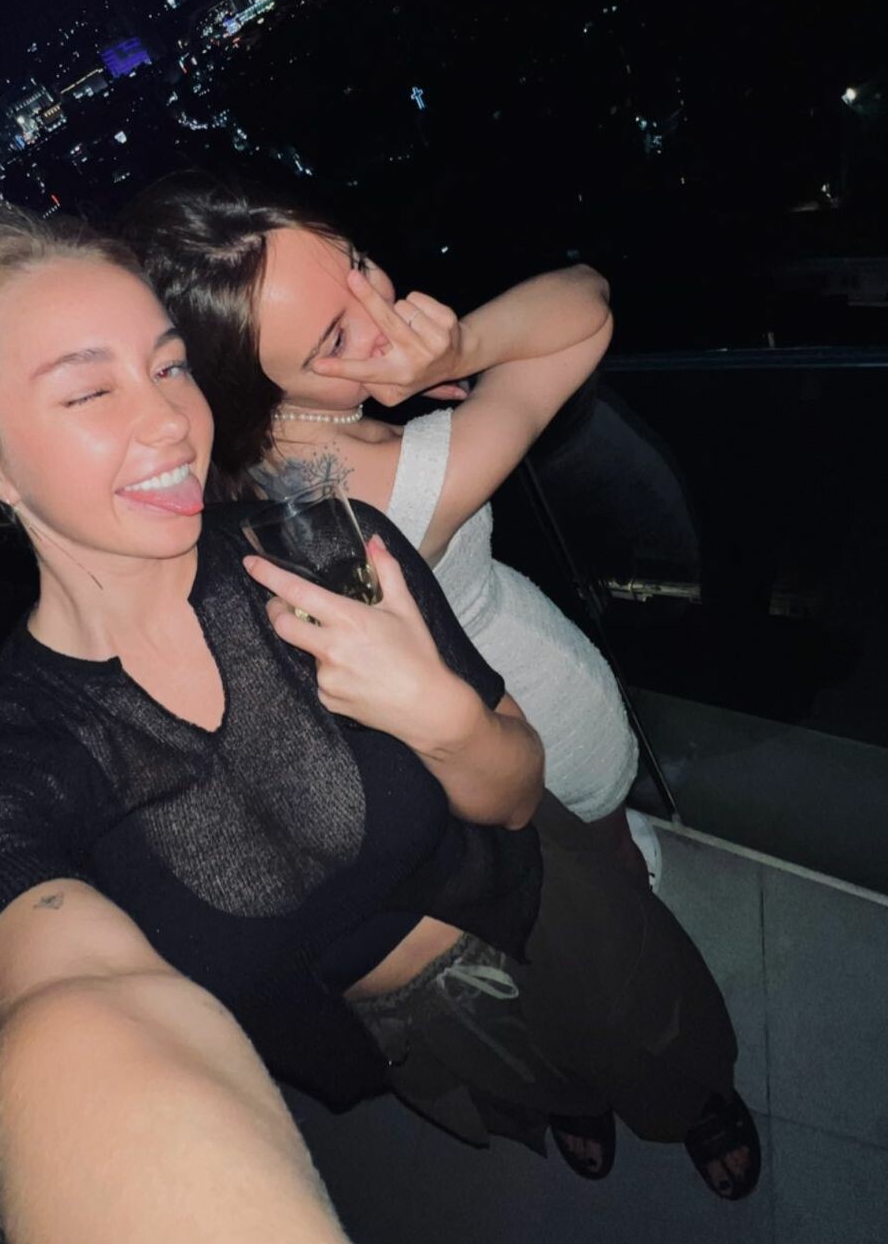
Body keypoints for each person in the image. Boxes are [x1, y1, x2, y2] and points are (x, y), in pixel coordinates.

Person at [0, 209, 758, 1244]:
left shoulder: (323, 545)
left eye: (169, 365)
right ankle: (569, 1105)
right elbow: (63, 998)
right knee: (535, 1097)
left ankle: (699, 1101)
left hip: (542, 897)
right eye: (89, 391)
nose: (168, 420)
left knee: (664, 1042)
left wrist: (442, 718)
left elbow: (515, 792)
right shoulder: (7, 761)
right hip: (394, 1033)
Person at [118, 172, 662, 889]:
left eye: (357, 265)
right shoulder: (395, 485)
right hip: (538, 709)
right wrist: (461, 348)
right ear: (250, 387)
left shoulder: (251, 472)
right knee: (613, 868)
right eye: (338, 336)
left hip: (454, 730)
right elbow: (587, 303)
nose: (384, 316)